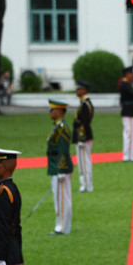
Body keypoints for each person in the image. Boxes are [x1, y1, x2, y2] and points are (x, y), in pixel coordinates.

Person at [46, 99, 74, 235]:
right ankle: (61, 225)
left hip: (60, 168)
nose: (50, 112)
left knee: (62, 199)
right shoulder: (58, 126)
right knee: (59, 198)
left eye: (52, 110)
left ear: (58, 112)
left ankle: (62, 227)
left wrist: (61, 170)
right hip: (55, 167)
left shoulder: (62, 127)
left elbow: (63, 149)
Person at [73, 80, 94, 193]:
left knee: (84, 162)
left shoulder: (86, 104)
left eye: (79, 89)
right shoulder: (84, 103)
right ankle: (86, 183)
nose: (77, 91)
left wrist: (81, 138)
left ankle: (86, 184)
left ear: (84, 90)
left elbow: (84, 123)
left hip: (83, 136)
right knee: (83, 161)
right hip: (82, 135)